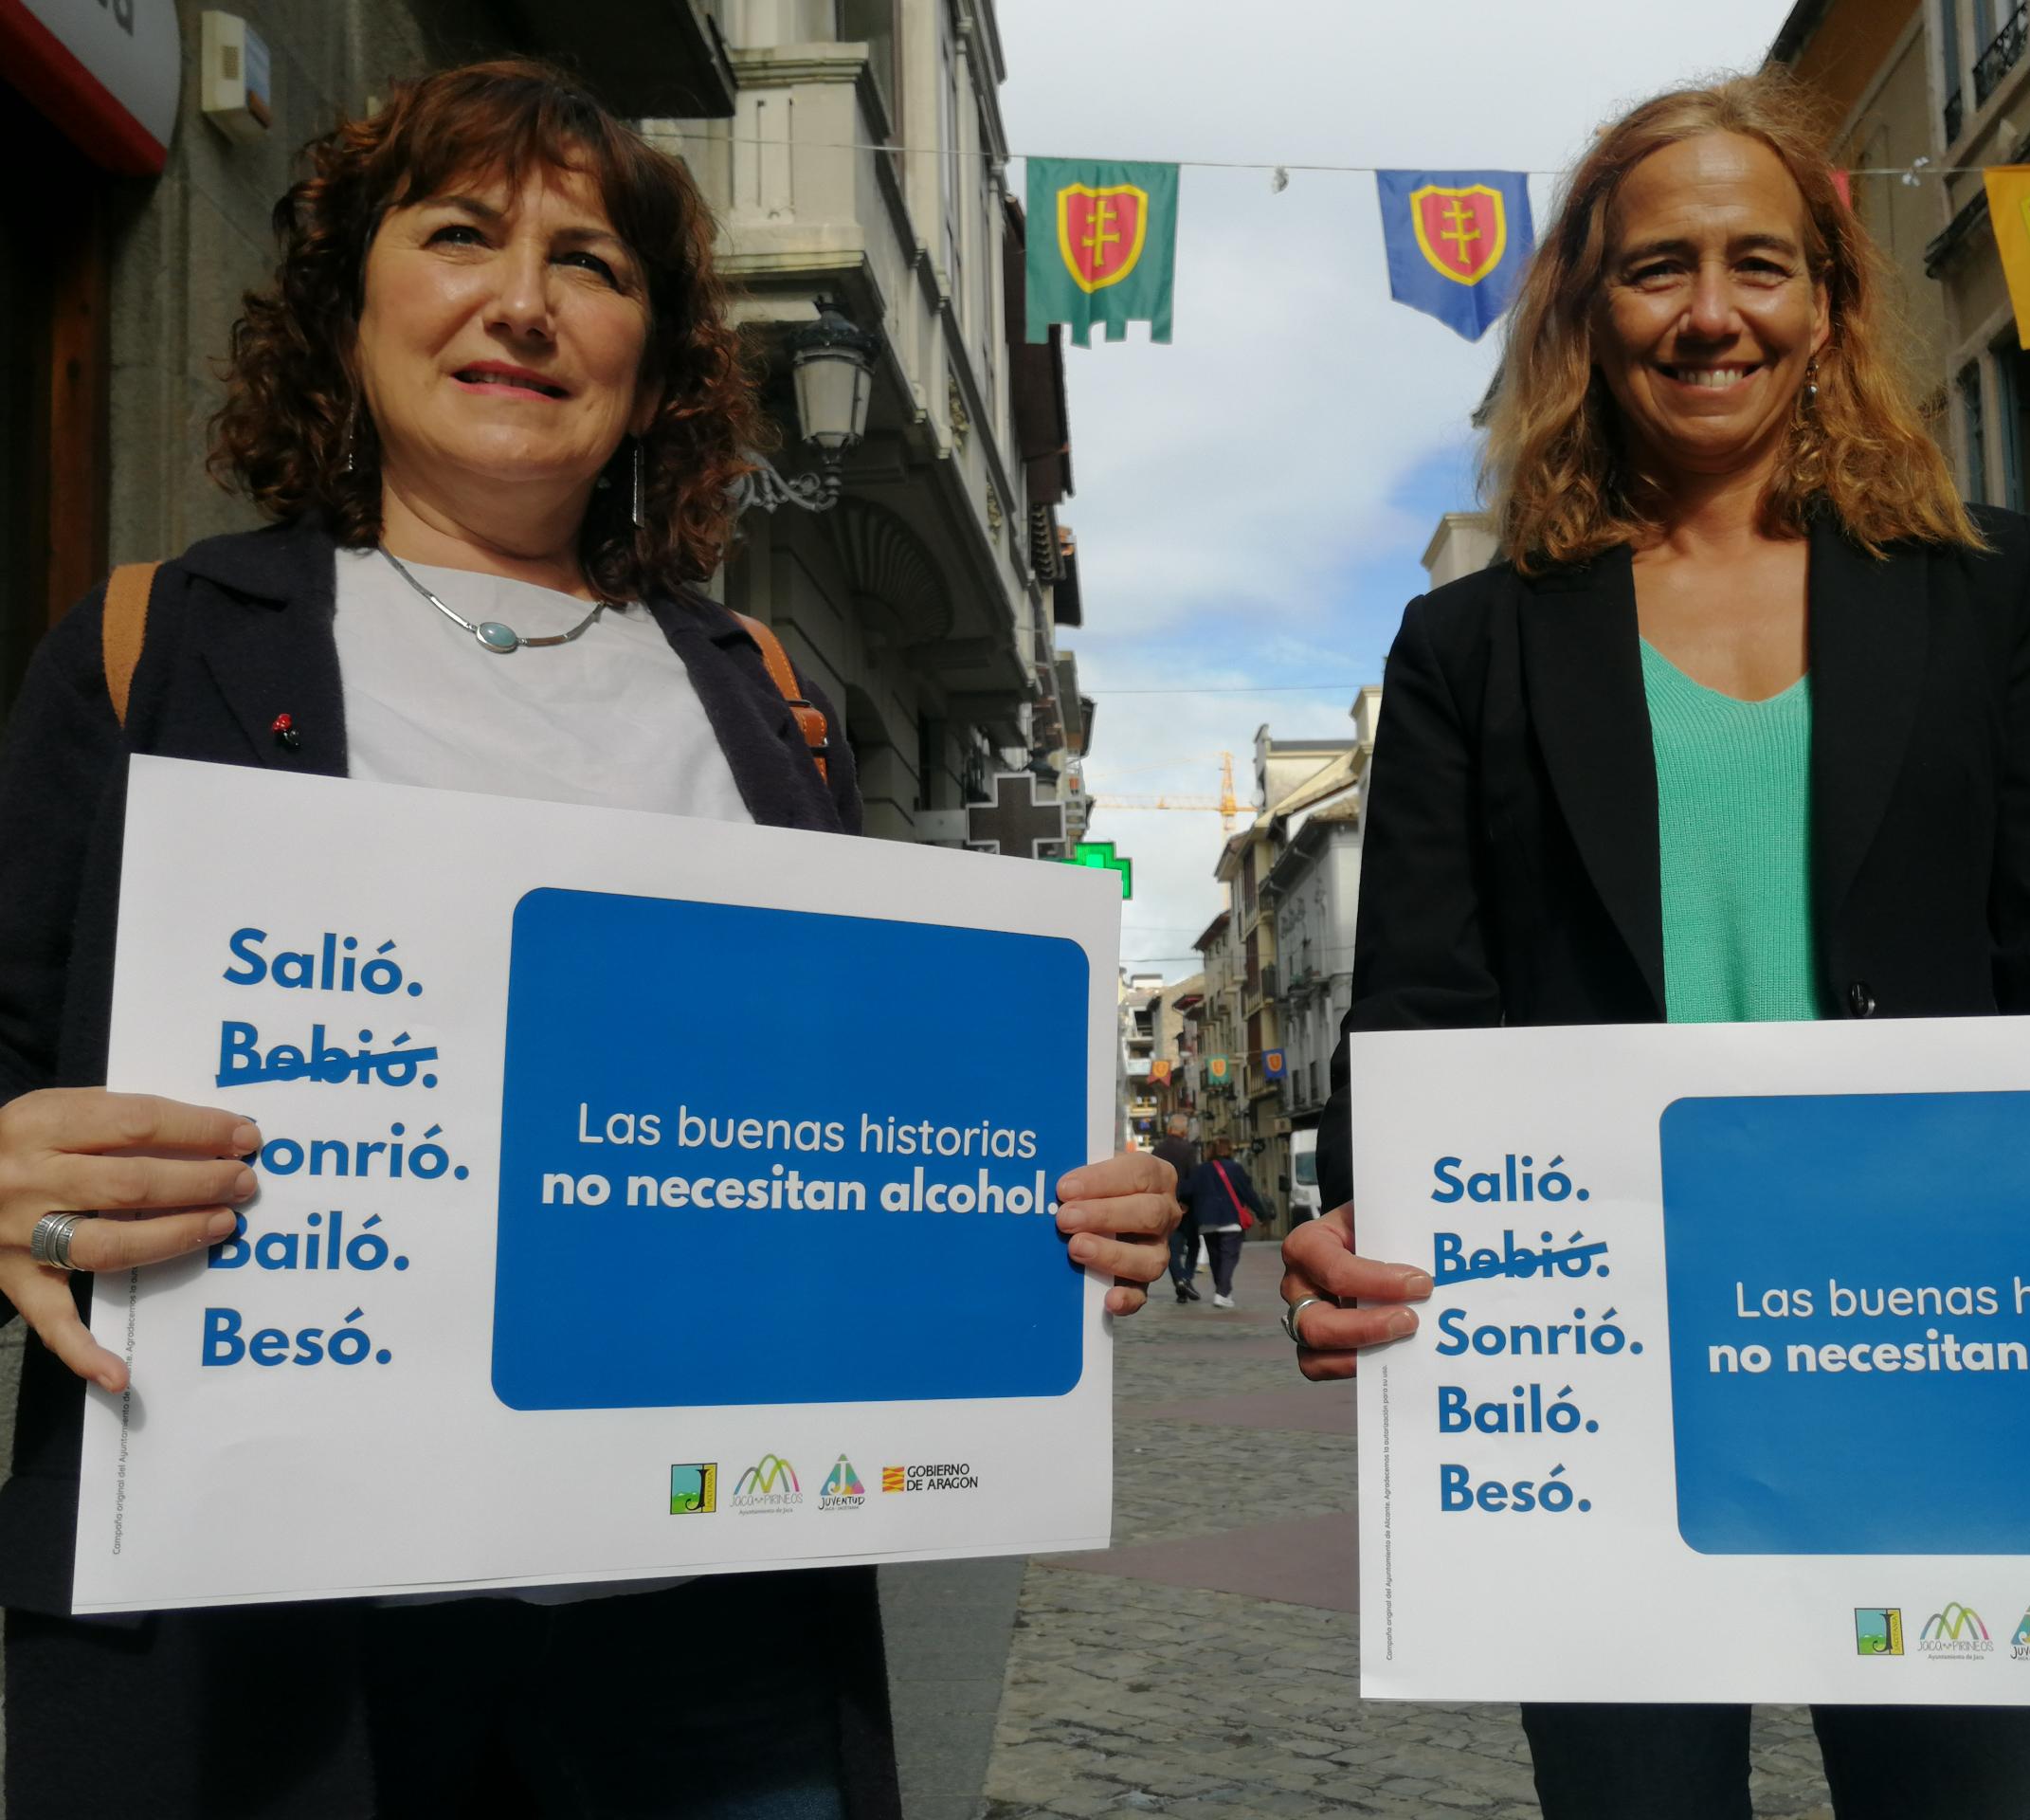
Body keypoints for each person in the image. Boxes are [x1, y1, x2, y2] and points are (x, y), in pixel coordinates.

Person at [0, 61, 1178, 1818]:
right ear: (348, 304)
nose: (522, 304)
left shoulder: (767, 698)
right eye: (461, 235)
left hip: (707, 1644)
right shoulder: (150, 645)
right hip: (269, 1642)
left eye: (592, 265)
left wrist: (1058, 1208)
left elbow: (841, 1121)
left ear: (652, 366)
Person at [1278, 70, 2030, 1820]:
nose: (1712, 312)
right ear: (1586, 311)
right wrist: (1354, 1228)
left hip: (1931, 1346)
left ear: (1828, 301)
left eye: (1759, 264)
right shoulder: (1470, 645)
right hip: (1608, 1365)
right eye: (1659, 269)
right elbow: (1425, 1005)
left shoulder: (1987, 588)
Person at [1187, 1138, 1268, 1308]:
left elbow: (1187, 1191)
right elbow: (1248, 1193)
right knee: (1229, 1257)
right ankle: (1222, 1293)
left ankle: (1223, 1291)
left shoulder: (1200, 1171)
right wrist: (1262, 1213)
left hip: (1207, 1222)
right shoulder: (1235, 1168)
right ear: (1229, 1150)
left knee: (1216, 1259)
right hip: (1230, 1220)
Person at [1152, 1113, 1203, 1301]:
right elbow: (1192, 1178)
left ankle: (1179, 1281)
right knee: (1194, 1244)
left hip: (1165, 1204)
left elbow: (1154, 1177)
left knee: (1172, 1247)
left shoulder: (1158, 1149)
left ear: (1169, 1129)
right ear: (1184, 1130)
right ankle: (1187, 1277)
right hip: (1186, 1208)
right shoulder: (1189, 1149)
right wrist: (1186, 1202)